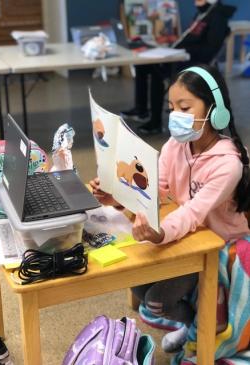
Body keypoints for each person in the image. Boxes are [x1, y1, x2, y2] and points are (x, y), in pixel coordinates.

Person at [90, 64, 250, 354]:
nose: (175, 115)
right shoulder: (174, 147)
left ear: (216, 110)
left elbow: (192, 214)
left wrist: (159, 232)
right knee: (139, 288)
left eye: (185, 107)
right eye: (171, 107)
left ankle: (197, 329)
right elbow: (152, 191)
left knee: (156, 302)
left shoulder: (229, 164)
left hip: (217, 243)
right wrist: (114, 195)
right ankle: (192, 324)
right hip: (186, 235)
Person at [121, 0, 236, 135]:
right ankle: (141, 110)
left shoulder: (218, 17)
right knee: (142, 65)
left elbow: (209, 50)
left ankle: (155, 122)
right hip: (180, 56)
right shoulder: (203, 14)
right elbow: (191, 38)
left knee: (156, 73)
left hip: (192, 62)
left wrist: (183, 51)